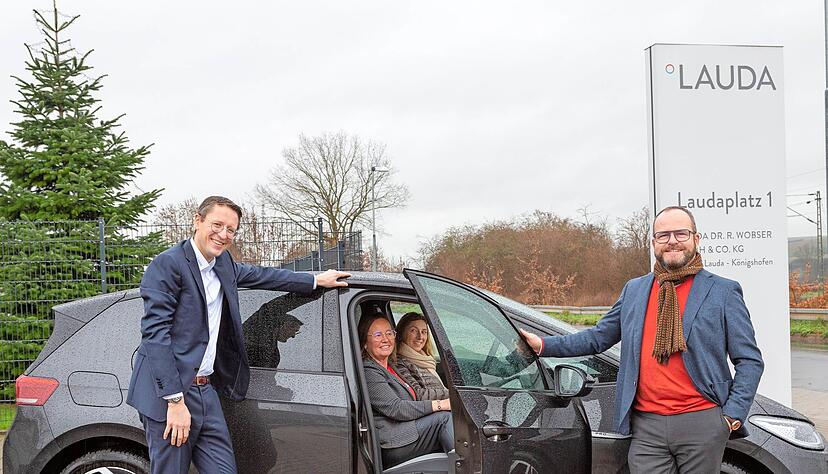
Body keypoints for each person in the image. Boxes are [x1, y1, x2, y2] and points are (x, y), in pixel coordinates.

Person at [520, 206, 764, 474]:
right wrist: (544, 345)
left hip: (702, 421)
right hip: (647, 426)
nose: (672, 240)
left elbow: (749, 360)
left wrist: (731, 417)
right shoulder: (635, 290)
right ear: (653, 243)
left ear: (696, 238)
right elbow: (599, 338)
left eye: (680, 233)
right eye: (663, 235)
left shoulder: (723, 291)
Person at [125, 195, 350, 474]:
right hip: (171, 394)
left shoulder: (223, 264)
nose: (223, 235)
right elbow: (155, 334)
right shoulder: (168, 264)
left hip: (206, 390)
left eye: (231, 229)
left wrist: (315, 280)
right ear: (198, 220)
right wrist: (174, 401)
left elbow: (264, 276)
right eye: (217, 225)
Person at [360, 313, 454, 469]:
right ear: (365, 342)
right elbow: (396, 408)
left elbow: (414, 397)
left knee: (449, 418)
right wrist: (440, 404)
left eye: (389, 333)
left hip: (408, 430)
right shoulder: (369, 370)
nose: (385, 339)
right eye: (377, 334)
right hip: (394, 442)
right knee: (443, 419)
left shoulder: (391, 366)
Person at [394, 312, 449, 400]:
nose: (420, 337)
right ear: (401, 333)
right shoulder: (399, 362)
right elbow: (417, 394)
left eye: (424, 332)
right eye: (413, 331)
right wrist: (452, 394)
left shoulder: (426, 359)